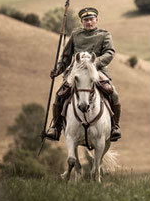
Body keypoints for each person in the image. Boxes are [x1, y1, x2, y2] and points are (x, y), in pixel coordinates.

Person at [45, 7, 122, 142]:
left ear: (96, 20)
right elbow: (66, 56)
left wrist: (93, 64)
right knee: (59, 94)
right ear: (82, 21)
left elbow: (109, 53)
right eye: (86, 20)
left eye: (91, 19)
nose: (89, 22)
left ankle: (115, 126)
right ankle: (56, 127)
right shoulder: (75, 35)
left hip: (97, 70)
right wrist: (58, 69)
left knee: (113, 92)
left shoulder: (105, 35)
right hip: (76, 71)